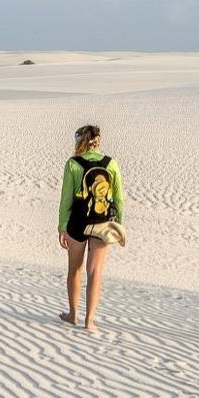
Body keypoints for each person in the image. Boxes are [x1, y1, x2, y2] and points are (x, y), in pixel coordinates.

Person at [58, 124, 125, 331]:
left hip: (78, 221)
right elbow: (119, 199)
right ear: (99, 140)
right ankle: (90, 321)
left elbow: (66, 198)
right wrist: (118, 224)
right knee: (95, 271)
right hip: (102, 222)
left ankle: (72, 315)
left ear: (80, 141)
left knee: (74, 269)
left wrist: (62, 226)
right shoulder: (111, 163)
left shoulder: (73, 164)